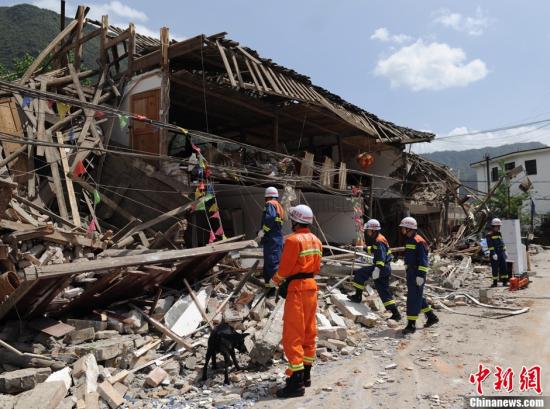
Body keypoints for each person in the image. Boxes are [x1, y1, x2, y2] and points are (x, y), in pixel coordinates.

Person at [271, 204, 322, 398]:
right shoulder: (316, 240)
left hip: (298, 289)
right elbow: (316, 267)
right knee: (309, 331)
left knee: (293, 334)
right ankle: (306, 375)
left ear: (295, 221)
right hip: (311, 286)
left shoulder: (293, 240)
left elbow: (284, 269)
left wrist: (274, 281)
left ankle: (295, 384)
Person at [348, 219, 401, 321]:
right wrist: (362, 248)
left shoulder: (379, 241)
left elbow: (381, 258)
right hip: (385, 268)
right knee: (383, 291)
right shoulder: (379, 239)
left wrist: (377, 269)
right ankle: (396, 314)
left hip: (381, 267)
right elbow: (373, 249)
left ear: (373, 230)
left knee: (360, 273)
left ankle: (358, 296)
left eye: (368, 230)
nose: (367, 233)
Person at [400, 217, 439, 335]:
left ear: (408, 228)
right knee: (417, 296)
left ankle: (411, 324)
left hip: (417, 273)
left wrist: (420, 275)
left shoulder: (419, 241)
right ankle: (431, 317)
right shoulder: (409, 239)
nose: (402, 230)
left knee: (412, 298)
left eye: (403, 228)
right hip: (411, 272)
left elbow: (423, 261)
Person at [256, 187, 285, 295]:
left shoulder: (270, 204)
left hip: (272, 239)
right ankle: (269, 288)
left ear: (267, 196)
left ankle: (280, 289)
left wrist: (263, 231)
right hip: (274, 239)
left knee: (272, 264)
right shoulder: (278, 205)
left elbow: (270, 218)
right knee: (268, 265)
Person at [486, 218, 508, 287]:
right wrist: (493, 253)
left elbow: (502, 242)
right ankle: (495, 283)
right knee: (495, 268)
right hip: (495, 254)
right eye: (497, 226)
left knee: (504, 267)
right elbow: (490, 245)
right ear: (493, 226)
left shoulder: (499, 233)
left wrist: (505, 251)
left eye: (499, 226)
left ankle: (505, 282)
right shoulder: (489, 235)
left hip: (501, 253)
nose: (499, 227)